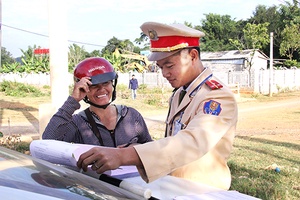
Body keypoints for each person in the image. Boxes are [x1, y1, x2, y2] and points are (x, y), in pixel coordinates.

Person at [77, 22, 238, 190]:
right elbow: (173, 140)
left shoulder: (216, 96)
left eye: (169, 65)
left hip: (203, 191)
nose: (165, 73)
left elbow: (190, 143)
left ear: (192, 56)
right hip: (175, 186)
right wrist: (140, 149)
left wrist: (124, 155)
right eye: (161, 67)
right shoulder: (179, 93)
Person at [42, 57, 152, 148]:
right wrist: (73, 101)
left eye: (106, 83)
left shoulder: (131, 116)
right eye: (94, 85)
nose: (101, 89)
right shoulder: (78, 123)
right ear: (83, 89)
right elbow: (48, 142)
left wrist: (135, 148)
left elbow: (151, 148)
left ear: (112, 84)